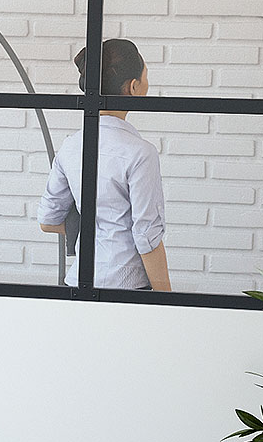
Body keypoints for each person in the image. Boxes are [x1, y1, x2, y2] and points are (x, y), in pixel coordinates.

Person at [39, 39, 171, 291]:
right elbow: (146, 236)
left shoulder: (71, 146)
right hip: (126, 287)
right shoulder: (141, 153)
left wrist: (95, 226)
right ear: (134, 87)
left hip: (78, 283)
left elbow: (48, 220)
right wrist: (167, 301)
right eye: (145, 76)